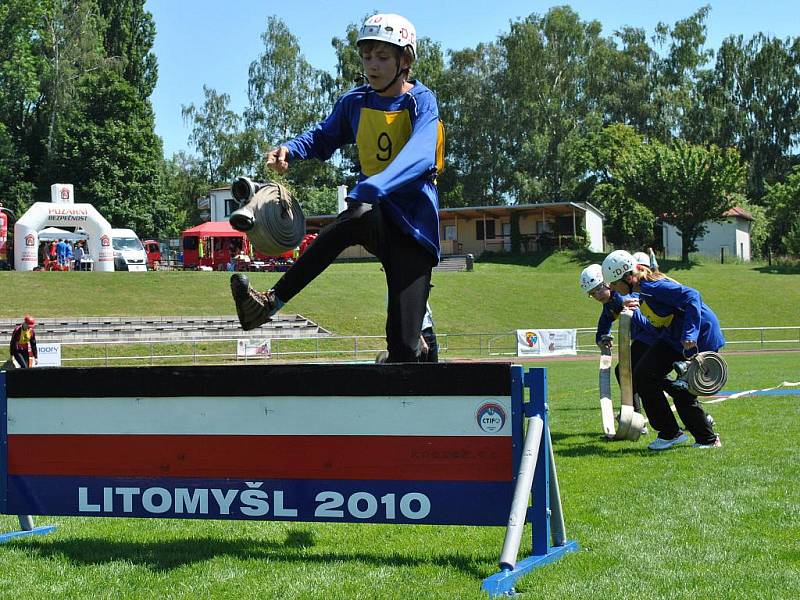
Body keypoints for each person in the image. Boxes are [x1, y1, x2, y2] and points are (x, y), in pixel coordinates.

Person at [230, 13, 444, 363]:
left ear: (405, 61)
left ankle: (422, 343)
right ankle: (268, 304)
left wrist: (378, 184)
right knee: (354, 215)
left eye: (383, 57)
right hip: (375, 214)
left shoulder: (421, 101)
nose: (372, 65)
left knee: (405, 352)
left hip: (413, 229)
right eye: (366, 56)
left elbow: (421, 154)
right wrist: (291, 150)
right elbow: (322, 136)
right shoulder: (355, 102)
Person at [601, 250, 722, 450]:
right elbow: (658, 324)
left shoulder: (653, 287)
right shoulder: (641, 292)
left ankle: (708, 440)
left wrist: (690, 335)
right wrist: (636, 310)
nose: (612, 288)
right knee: (643, 374)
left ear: (628, 277)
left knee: (683, 391)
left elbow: (693, 296)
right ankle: (670, 433)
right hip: (675, 337)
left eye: (614, 283)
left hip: (700, 336)